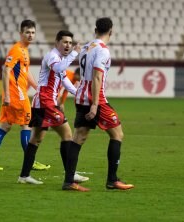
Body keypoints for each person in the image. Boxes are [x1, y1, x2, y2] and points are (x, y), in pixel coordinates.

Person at [17, 30, 89, 190]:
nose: (68, 45)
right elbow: (59, 70)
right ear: (57, 43)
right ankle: (70, 174)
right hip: (45, 101)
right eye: (65, 42)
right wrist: (75, 54)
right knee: (67, 134)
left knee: (36, 139)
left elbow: (64, 80)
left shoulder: (61, 59)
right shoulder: (53, 56)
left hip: (43, 102)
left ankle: (24, 176)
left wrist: (79, 93)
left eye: (70, 43)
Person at [70, 17, 134, 190]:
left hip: (81, 95)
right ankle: (112, 180)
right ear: (111, 32)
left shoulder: (85, 47)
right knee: (117, 135)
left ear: (95, 30)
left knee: (79, 136)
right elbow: (97, 76)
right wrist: (95, 104)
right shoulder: (103, 50)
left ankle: (69, 181)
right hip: (94, 98)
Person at [0, 20, 50, 171]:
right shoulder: (17, 50)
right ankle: (30, 161)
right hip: (16, 94)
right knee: (26, 125)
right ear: (21, 34)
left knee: (5, 126)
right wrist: (6, 95)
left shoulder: (24, 50)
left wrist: (37, 87)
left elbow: (25, 72)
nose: (30, 35)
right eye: (27, 32)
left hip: (15, 93)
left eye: (32, 32)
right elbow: (5, 70)